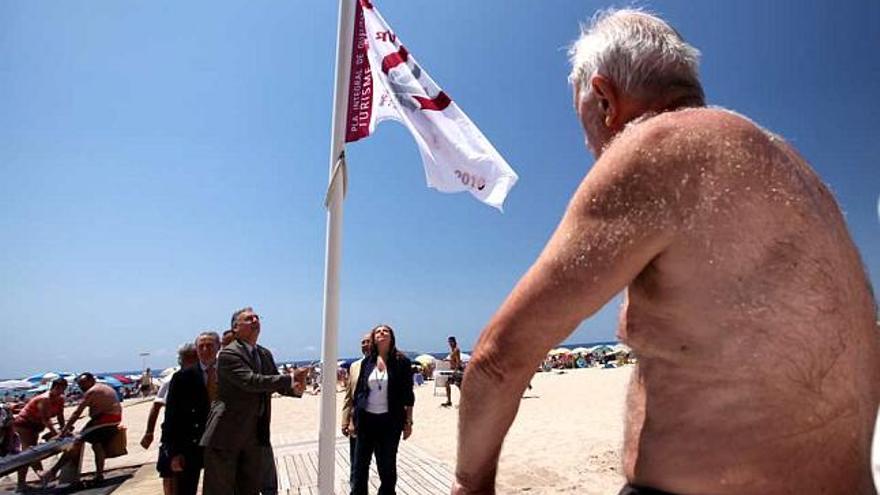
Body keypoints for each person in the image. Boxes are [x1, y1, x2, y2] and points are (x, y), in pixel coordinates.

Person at [453, 8, 880, 495]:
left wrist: (471, 483)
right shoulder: (804, 180)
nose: (592, 148)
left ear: (604, 98)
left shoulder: (661, 145)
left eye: (585, 124)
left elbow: (498, 357)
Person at [200, 307, 307, 495]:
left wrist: (296, 388)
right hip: (225, 435)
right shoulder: (228, 354)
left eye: (257, 318)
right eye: (249, 319)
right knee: (221, 490)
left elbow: (275, 383)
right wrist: (290, 378)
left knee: (250, 488)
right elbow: (250, 381)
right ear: (235, 328)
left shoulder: (264, 354)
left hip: (254, 435)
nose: (255, 320)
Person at [350, 324, 415, 495]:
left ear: (391, 337)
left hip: (390, 422)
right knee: (359, 468)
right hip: (365, 420)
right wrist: (351, 420)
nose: (382, 333)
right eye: (378, 331)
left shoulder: (402, 362)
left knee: (387, 468)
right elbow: (358, 394)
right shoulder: (367, 362)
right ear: (374, 338)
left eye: (385, 331)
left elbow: (408, 395)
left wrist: (408, 422)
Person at [163, 332, 220, 495]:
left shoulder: (227, 373)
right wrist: (173, 453)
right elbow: (171, 417)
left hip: (220, 442)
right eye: (201, 346)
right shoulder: (181, 378)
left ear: (218, 347)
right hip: (190, 445)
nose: (205, 349)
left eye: (210, 345)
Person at [44, 372, 122, 487]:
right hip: (114, 419)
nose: (81, 387)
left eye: (83, 384)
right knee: (97, 445)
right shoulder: (105, 387)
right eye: (80, 385)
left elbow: (77, 412)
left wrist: (62, 432)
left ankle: (53, 472)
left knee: (76, 442)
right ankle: (99, 474)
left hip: (104, 420)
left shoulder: (92, 391)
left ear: (91, 381)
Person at [141, 342, 199, 495]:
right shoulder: (173, 379)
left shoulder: (200, 376)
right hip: (174, 438)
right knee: (171, 476)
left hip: (192, 438)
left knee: (184, 480)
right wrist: (149, 433)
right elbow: (157, 406)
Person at [12, 377, 67, 491]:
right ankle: (34, 479)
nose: (61, 392)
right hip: (24, 424)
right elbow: (46, 419)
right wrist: (55, 433)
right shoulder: (44, 399)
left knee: (30, 452)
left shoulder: (61, 399)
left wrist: (64, 430)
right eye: (60, 389)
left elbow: (60, 416)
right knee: (29, 452)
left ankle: (39, 478)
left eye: (63, 389)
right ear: (54, 387)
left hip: (36, 427)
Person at [342, 333, 372, 491]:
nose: (365, 344)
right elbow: (349, 396)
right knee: (356, 464)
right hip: (358, 422)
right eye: (362, 342)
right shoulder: (354, 366)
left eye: (368, 341)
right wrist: (345, 421)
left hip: (379, 422)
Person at [442, 336, 462, 407]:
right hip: (452, 370)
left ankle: (463, 402)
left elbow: (458, 362)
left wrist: (455, 371)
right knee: (447, 384)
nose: (450, 343)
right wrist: (447, 360)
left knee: (459, 386)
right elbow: (453, 360)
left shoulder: (456, 350)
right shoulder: (452, 350)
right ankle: (449, 401)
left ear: (454, 342)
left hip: (456, 370)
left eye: (451, 342)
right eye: (449, 342)